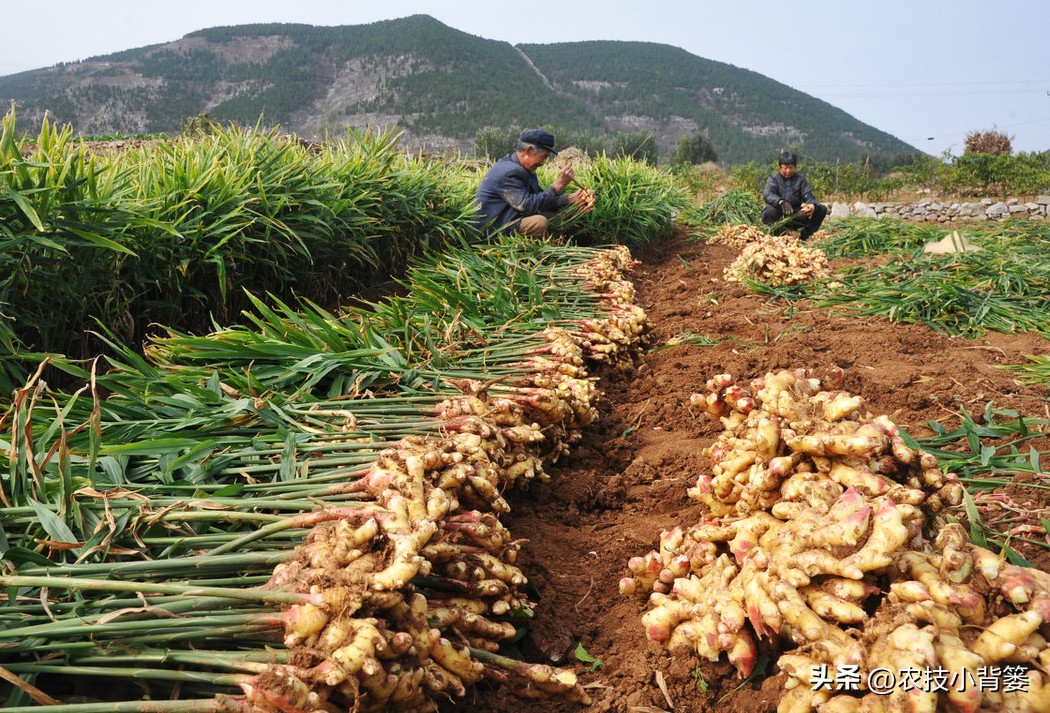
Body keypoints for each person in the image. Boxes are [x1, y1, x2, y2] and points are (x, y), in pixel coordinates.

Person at [474, 129, 593, 239]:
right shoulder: (509, 171)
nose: (543, 163)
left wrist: (570, 199)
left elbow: (540, 200)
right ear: (529, 151)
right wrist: (558, 184)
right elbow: (528, 206)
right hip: (493, 229)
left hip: (510, 219)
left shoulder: (525, 170)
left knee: (560, 215)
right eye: (544, 157)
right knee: (539, 222)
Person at [761, 151, 828, 240]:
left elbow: (809, 195)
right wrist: (781, 202)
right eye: (785, 168)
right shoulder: (773, 179)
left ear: (795, 167)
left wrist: (811, 206)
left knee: (821, 209)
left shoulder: (800, 180)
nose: (788, 171)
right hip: (779, 213)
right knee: (770, 210)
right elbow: (768, 194)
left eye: (791, 168)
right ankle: (776, 235)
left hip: (796, 214)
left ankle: (805, 237)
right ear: (779, 167)